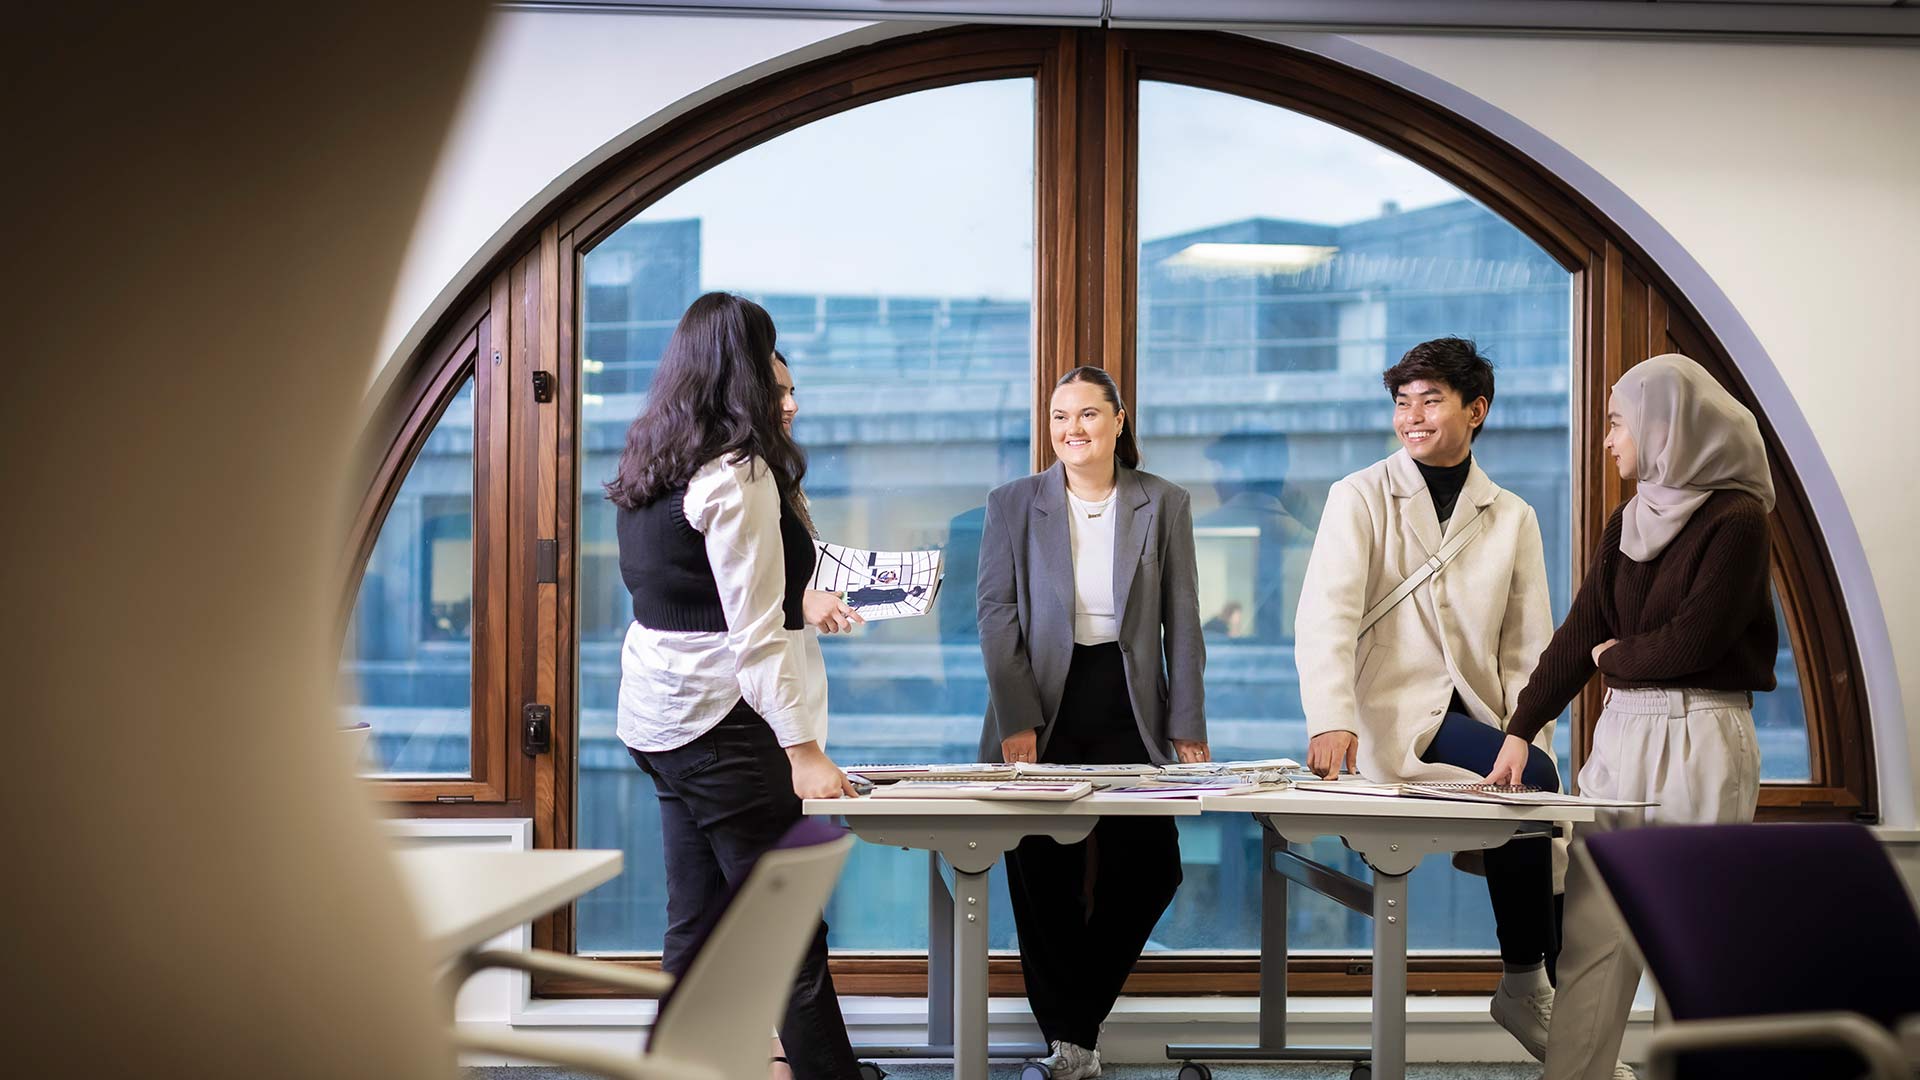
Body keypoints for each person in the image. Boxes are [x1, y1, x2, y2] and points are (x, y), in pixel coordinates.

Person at [1487, 353, 1776, 1080]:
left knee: (1695, 941)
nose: (1609, 439)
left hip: (1702, 732)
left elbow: (1694, 643)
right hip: (1622, 732)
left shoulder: (1738, 519)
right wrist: (1521, 728)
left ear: (1663, 426)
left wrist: (1615, 657)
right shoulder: (1628, 518)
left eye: (1618, 423)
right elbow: (1582, 633)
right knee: (1593, 937)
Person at [608, 294, 861, 1080]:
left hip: (657, 717)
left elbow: (689, 592)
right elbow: (749, 635)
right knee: (785, 935)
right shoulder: (735, 472)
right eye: (769, 356)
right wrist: (804, 750)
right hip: (721, 725)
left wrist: (800, 598)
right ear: (743, 366)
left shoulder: (653, 456)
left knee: (698, 922)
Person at [1294, 337, 1565, 1062]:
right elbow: (1327, 616)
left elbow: (1527, 647)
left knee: (1540, 783)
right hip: (1389, 718)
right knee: (1538, 790)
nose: (1412, 416)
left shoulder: (1512, 516)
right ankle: (1532, 987)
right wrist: (1330, 719)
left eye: (1431, 400)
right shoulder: (1358, 495)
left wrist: (1527, 733)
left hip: (1477, 718)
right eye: (1402, 402)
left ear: (1475, 411)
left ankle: (1551, 997)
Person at [976, 366, 1208, 1080]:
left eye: (1086, 415)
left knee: (1153, 867)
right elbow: (996, 615)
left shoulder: (1162, 502)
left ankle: (1072, 1023)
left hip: (1128, 696)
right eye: (1058, 416)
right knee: (1040, 867)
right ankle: (1071, 1046)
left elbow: (1183, 620)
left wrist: (1187, 720)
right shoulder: (1013, 503)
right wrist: (1018, 718)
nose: (1071, 429)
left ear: (1118, 419)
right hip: (1041, 698)